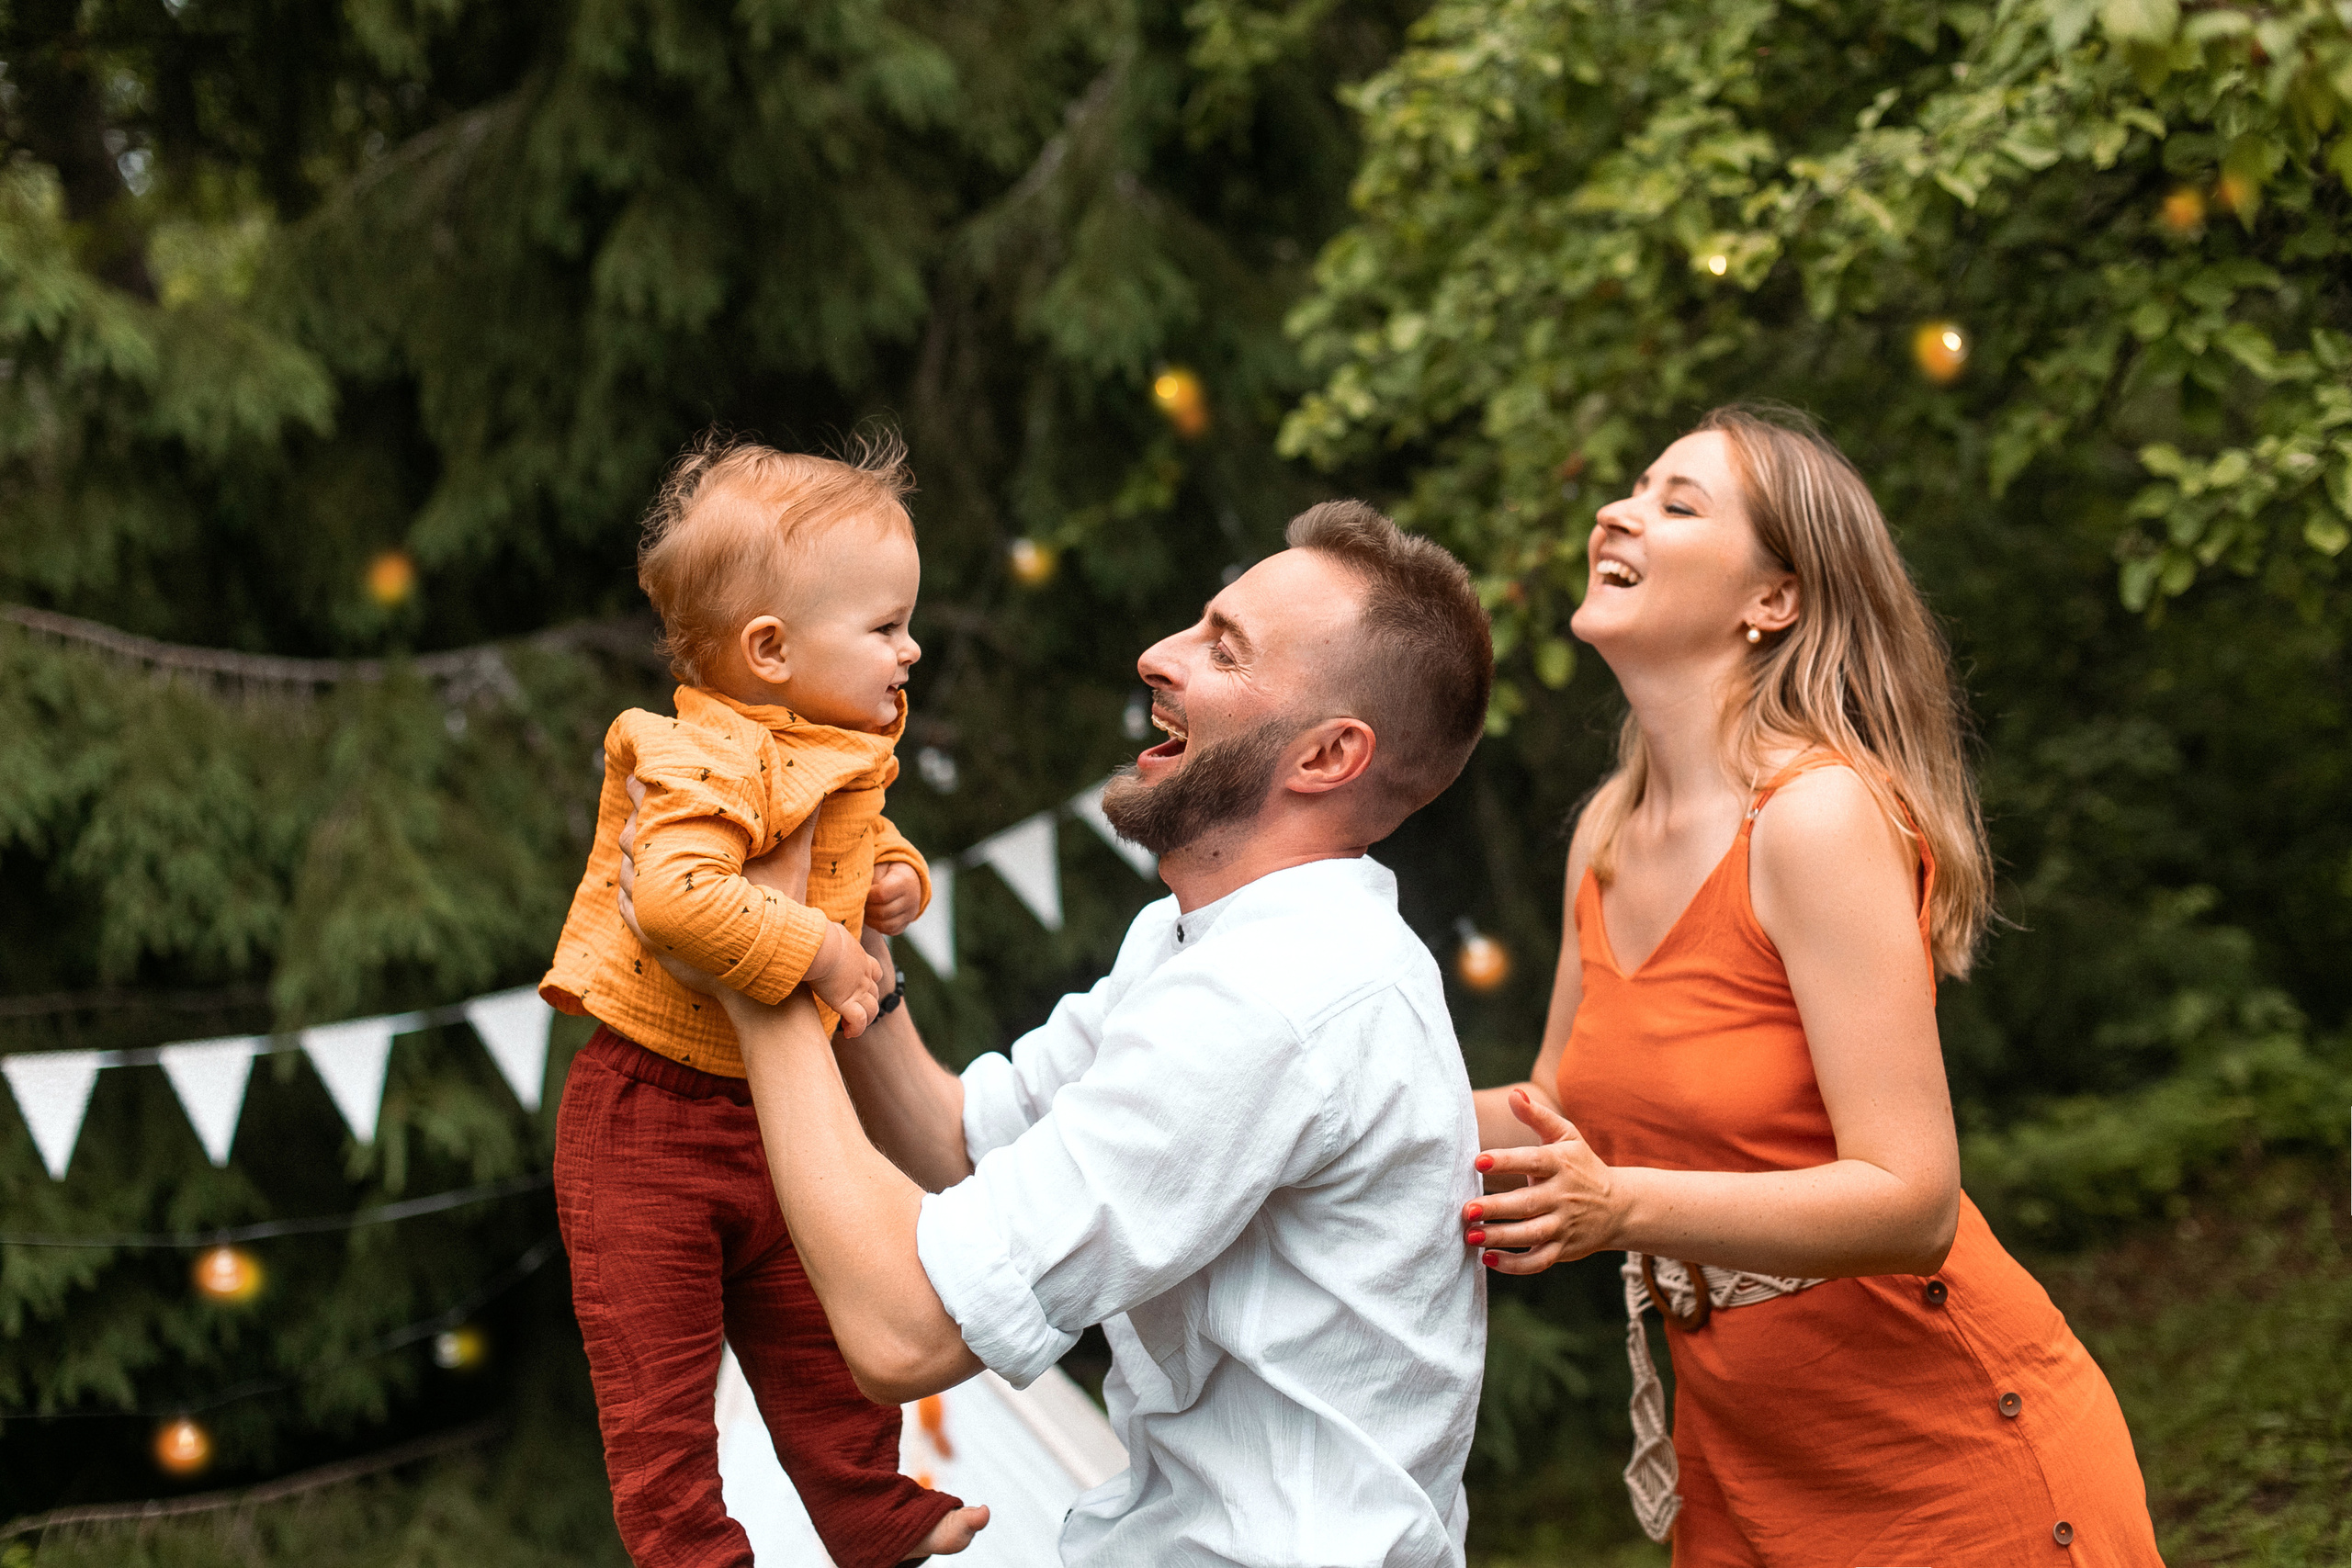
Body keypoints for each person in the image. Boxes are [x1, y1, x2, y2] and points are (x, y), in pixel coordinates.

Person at [621, 501, 1498, 1566]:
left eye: (1223, 648)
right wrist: (845, 941)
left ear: (1325, 756)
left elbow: (907, 1331)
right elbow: (957, 1144)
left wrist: (763, 970)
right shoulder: (1204, 945)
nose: (1158, 655)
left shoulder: (1277, 997)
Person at [1462, 407, 2164, 1565]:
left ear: (1773, 601)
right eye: (1631, 488)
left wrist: (1621, 1210)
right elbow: (1560, 1113)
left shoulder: (1813, 817)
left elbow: (1911, 1198)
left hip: (1945, 1463)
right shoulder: (1609, 831)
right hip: (1741, 1460)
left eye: (1676, 503)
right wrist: (1318, 1113)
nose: (1615, 512)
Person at [541, 434, 985, 1568]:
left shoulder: (836, 746)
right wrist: (832, 961)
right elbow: (678, 903)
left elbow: (862, 842)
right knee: (658, 1388)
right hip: (645, 1122)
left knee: (820, 1339)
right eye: (885, 627)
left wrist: (894, 882)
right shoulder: (694, 753)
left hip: (772, 1113)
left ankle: (870, 1509)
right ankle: (693, 1552)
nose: (911, 647)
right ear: (771, 650)